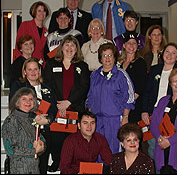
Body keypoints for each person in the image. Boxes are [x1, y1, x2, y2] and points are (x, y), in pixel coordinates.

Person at [43, 35, 90, 172]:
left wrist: (68, 102)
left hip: (75, 109)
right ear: (61, 47)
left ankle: (70, 166)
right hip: (56, 108)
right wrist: (59, 104)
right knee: (56, 140)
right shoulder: (52, 63)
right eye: (67, 45)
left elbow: (84, 87)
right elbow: (47, 85)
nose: (69, 48)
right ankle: (57, 162)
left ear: (77, 49)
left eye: (73, 45)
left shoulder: (83, 66)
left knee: (72, 142)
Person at [141, 42, 177, 170]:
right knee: (154, 146)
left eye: (173, 53)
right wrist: (144, 111)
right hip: (155, 114)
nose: (169, 55)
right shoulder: (154, 70)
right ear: (162, 54)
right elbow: (146, 92)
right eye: (167, 52)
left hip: (174, 114)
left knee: (173, 147)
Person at [9, 57, 58, 174]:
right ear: (24, 71)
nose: (33, 72)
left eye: (35, 69)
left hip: (44, 132)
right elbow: (14, 106)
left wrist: (48, 120)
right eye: (29, 70)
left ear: (39, 71)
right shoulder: (18, 86)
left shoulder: (46, 87)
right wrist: (34, 117)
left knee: (42, 167)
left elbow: (53, 107)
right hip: (25, 132)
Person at [86, 43, 135, 154]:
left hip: (114, 119)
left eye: (110, 55)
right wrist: (89, 118)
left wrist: (125, 117)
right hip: (97, 120)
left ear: (114, 57)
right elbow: (90, 97)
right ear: (100, 58)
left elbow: (129, 98)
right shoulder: (94, 75)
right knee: (96, 150)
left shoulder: (121, 75)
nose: (107, 59)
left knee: (113, 151)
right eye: (104, 56)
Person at [2, 87, 45, 174]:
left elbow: (41, 140)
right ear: (17, 102)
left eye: (31, 99)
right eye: (24, 99)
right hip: (18, 170)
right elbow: (10, 149)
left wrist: (41, 145)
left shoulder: (31, 120)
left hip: (34, 169)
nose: (28, 102)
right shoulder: (11, 121)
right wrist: (34, 151)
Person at [59, 110, 112, 174]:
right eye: (85, 123)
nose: (89, 127)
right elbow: (64, 167)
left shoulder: (100, 139)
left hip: (92, 171)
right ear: (79, 125)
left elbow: (109, 160)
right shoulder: (70, 140)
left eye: (92, 123)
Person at [15, 1, 49, 67]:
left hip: (39, 64)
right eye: (39, 11)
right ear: (34, 12)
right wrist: (20, 64)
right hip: (26, 63)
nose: (42, 13)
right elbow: (18, 46)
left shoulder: (46, 31)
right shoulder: (25, 25)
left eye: (44, 11)